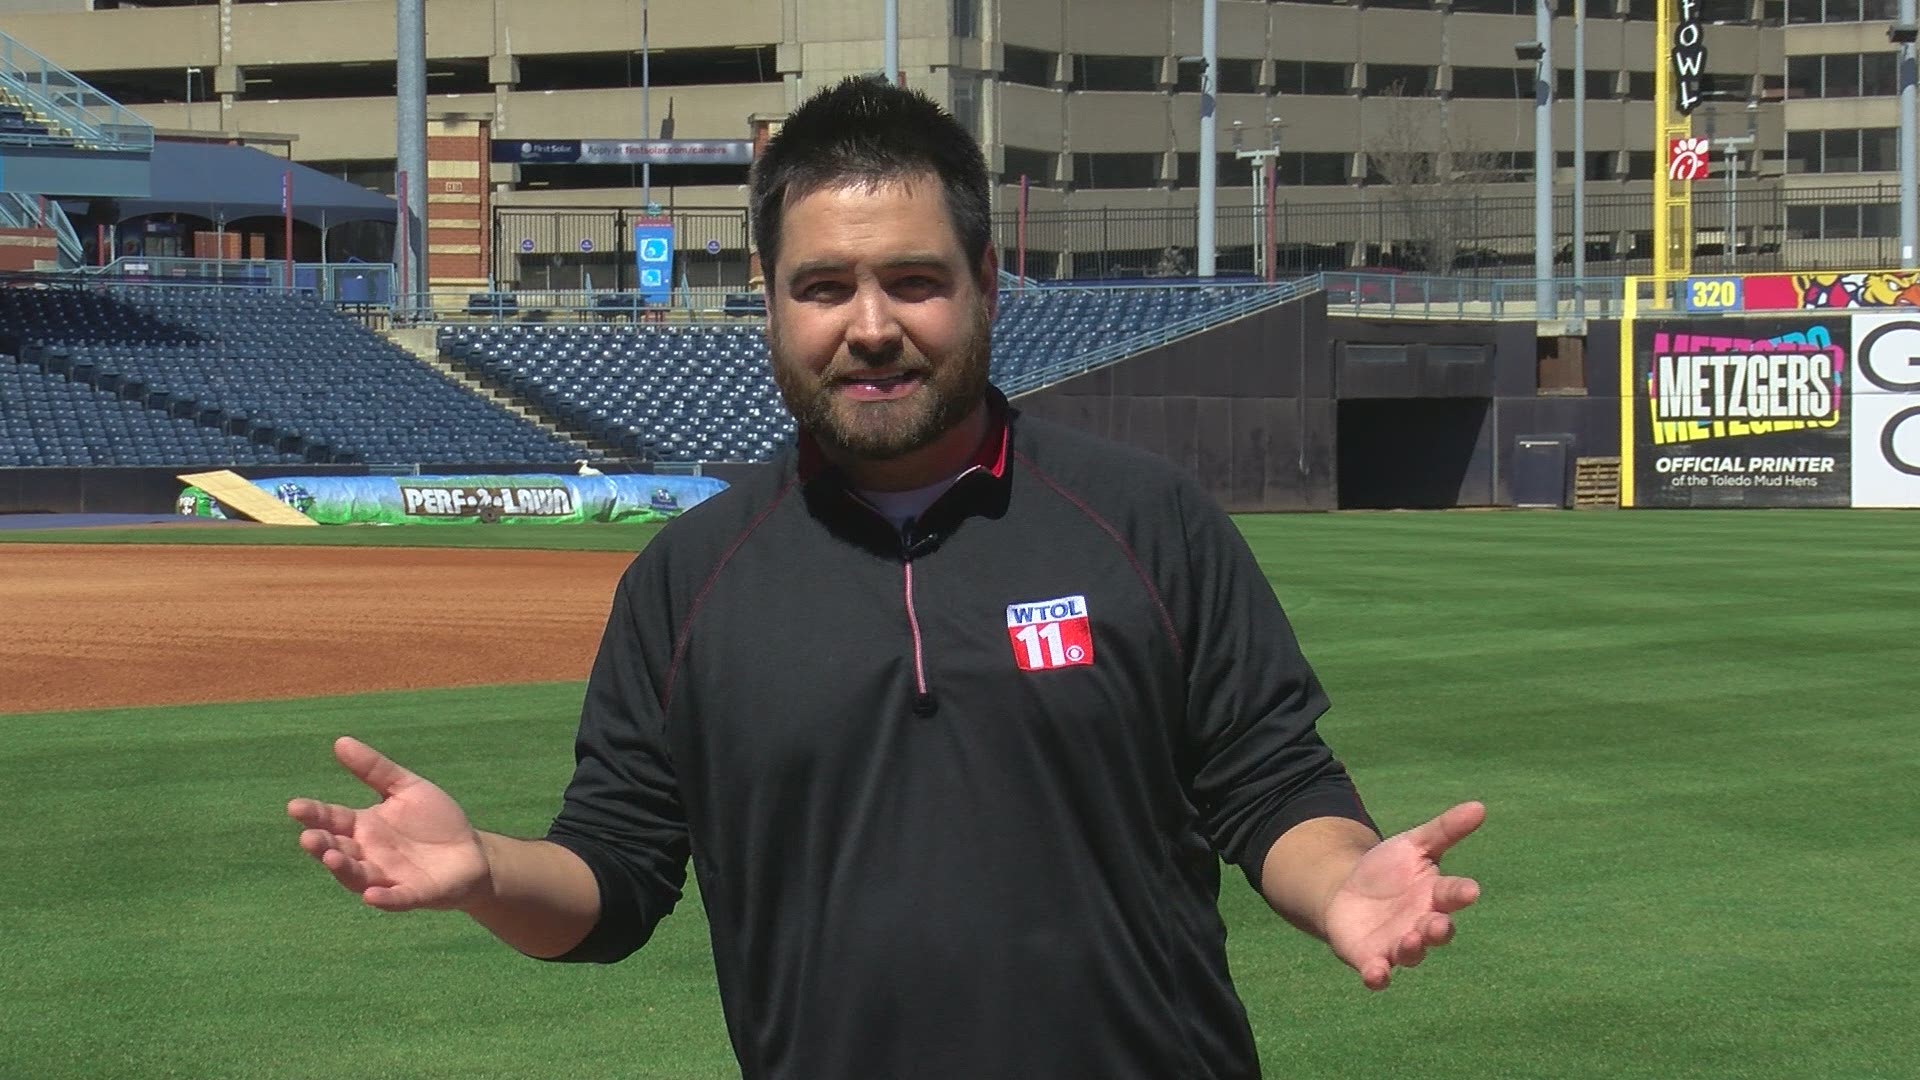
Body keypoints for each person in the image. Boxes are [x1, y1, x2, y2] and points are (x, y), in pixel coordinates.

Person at [288, 76, 1484, 1079]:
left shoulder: (1143, 521)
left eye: (913, 281)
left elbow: (1270, 783)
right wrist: (488, 872)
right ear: (768, 304)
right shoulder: (687, 580)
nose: (870, 326)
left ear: (985, 288)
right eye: (823, 287)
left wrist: (1339, 886)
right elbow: (615, 875)